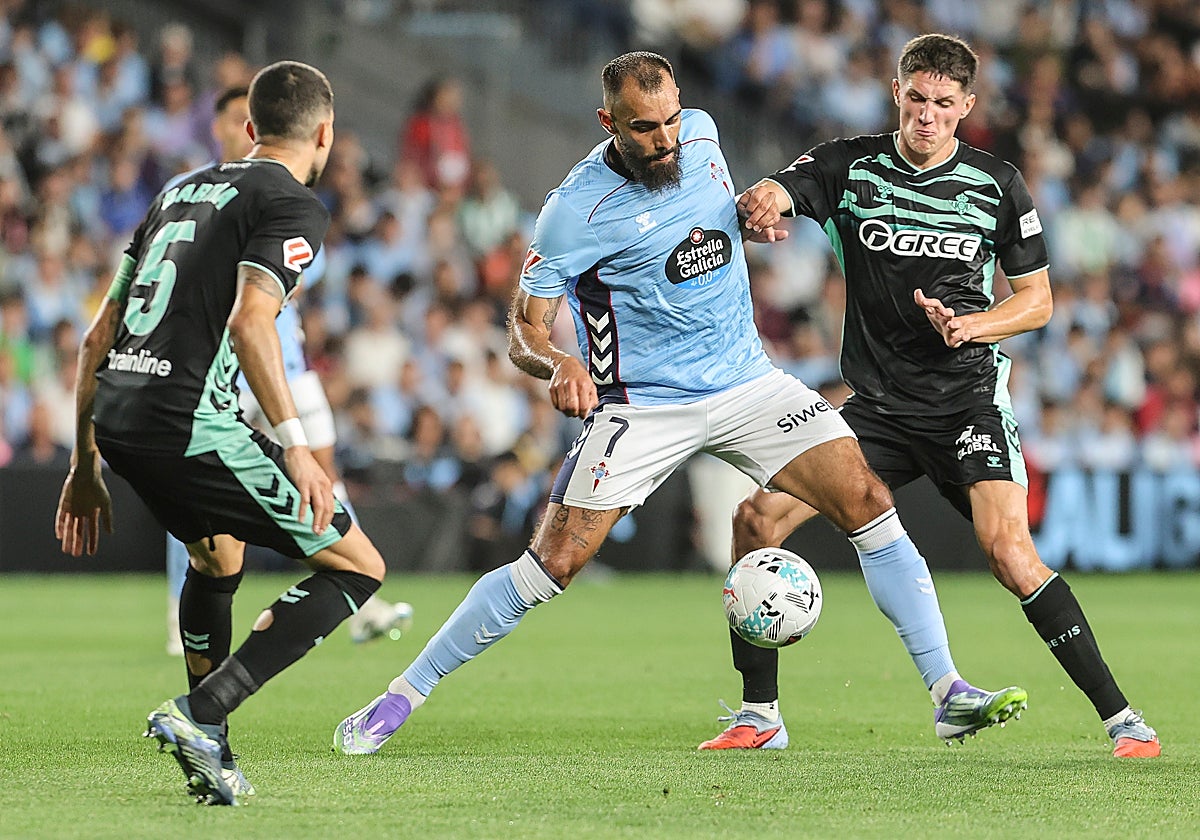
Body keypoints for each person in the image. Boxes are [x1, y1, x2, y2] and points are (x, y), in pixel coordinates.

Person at [333, 51, 1024, 757]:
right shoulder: (575, 210)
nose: (664, 139)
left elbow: (708, 227)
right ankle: (401, 695)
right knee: (552, 566)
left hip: (746, 381)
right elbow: (523, 329)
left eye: (669, 120)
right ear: (609, 123)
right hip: (646, 405)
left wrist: (751, 220)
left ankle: (946, 693)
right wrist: (561, 361)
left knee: (867, 498)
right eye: (643, 128)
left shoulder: (702, 134)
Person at [714, 33, 1160, 759]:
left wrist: (977, 324)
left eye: (944, 105)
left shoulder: (996, 183)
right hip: (877, 409)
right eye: (916, 99)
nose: (927, 116)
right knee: (755, 518)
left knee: (1010, 554)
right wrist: (761, 202)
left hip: (966, 402)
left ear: (967, 107)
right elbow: (781, 190)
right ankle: (759, 714)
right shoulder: (850, 166)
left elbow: (1038, 300)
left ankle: (1123, 720)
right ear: (898, 92)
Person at [54, 60, 390, 806]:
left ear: (248, 128)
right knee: (360, 566)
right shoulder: (293, 202)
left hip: (118, 418)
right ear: (325, 133)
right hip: (188, 422)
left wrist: (85, 463)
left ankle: (212, 748)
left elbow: (94, 338)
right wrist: (297, 443)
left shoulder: (177, 191)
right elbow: (249, 319)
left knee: (215, 558)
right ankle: (203, 714)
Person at [160, 86, 411, 656]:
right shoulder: (208, 189)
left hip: (286, 361)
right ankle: (189, 608)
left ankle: (361, 599)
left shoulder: (286, 193)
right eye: (228, 118)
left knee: (322, 473)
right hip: (232, 363)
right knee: (202, 491)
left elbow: (296, 279)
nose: (235, 127)